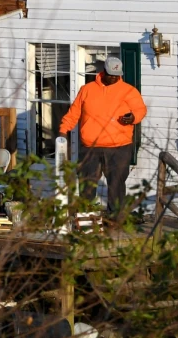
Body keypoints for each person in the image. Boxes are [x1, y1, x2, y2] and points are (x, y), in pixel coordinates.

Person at [58, 56, 147, 221]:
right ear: (103, 71)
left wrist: (133, 117)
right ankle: (86, 219)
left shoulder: (129, 91)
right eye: (111, 74)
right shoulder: (87, 90)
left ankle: (115, 220)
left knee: (116, 185)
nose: (113, 77)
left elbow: (140, 109)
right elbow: (73, 113)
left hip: (119, 147)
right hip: (90, 147)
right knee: (87, 184)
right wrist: (63, 131)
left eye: (116, 75)